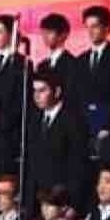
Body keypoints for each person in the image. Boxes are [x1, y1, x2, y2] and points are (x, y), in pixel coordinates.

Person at [25, 70, 91, 206]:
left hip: (61, 199)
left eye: (42, 90)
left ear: (57, 92)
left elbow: (78, 165)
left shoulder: (74, 121)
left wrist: (74, 203)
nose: (36, 96)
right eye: (34, 90)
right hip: (36, 199)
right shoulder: (33, 119)